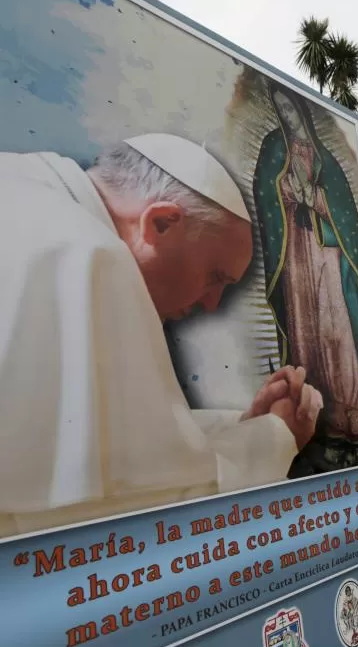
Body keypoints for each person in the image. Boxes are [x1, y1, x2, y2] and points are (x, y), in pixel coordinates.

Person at [0, 135, 324, 537]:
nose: (211, 304)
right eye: (215, 278)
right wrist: (276, 437)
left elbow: (114, 448)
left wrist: (239, 426)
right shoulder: (89, 256)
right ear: (160, 223)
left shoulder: (23, 186)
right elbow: (133, 514)